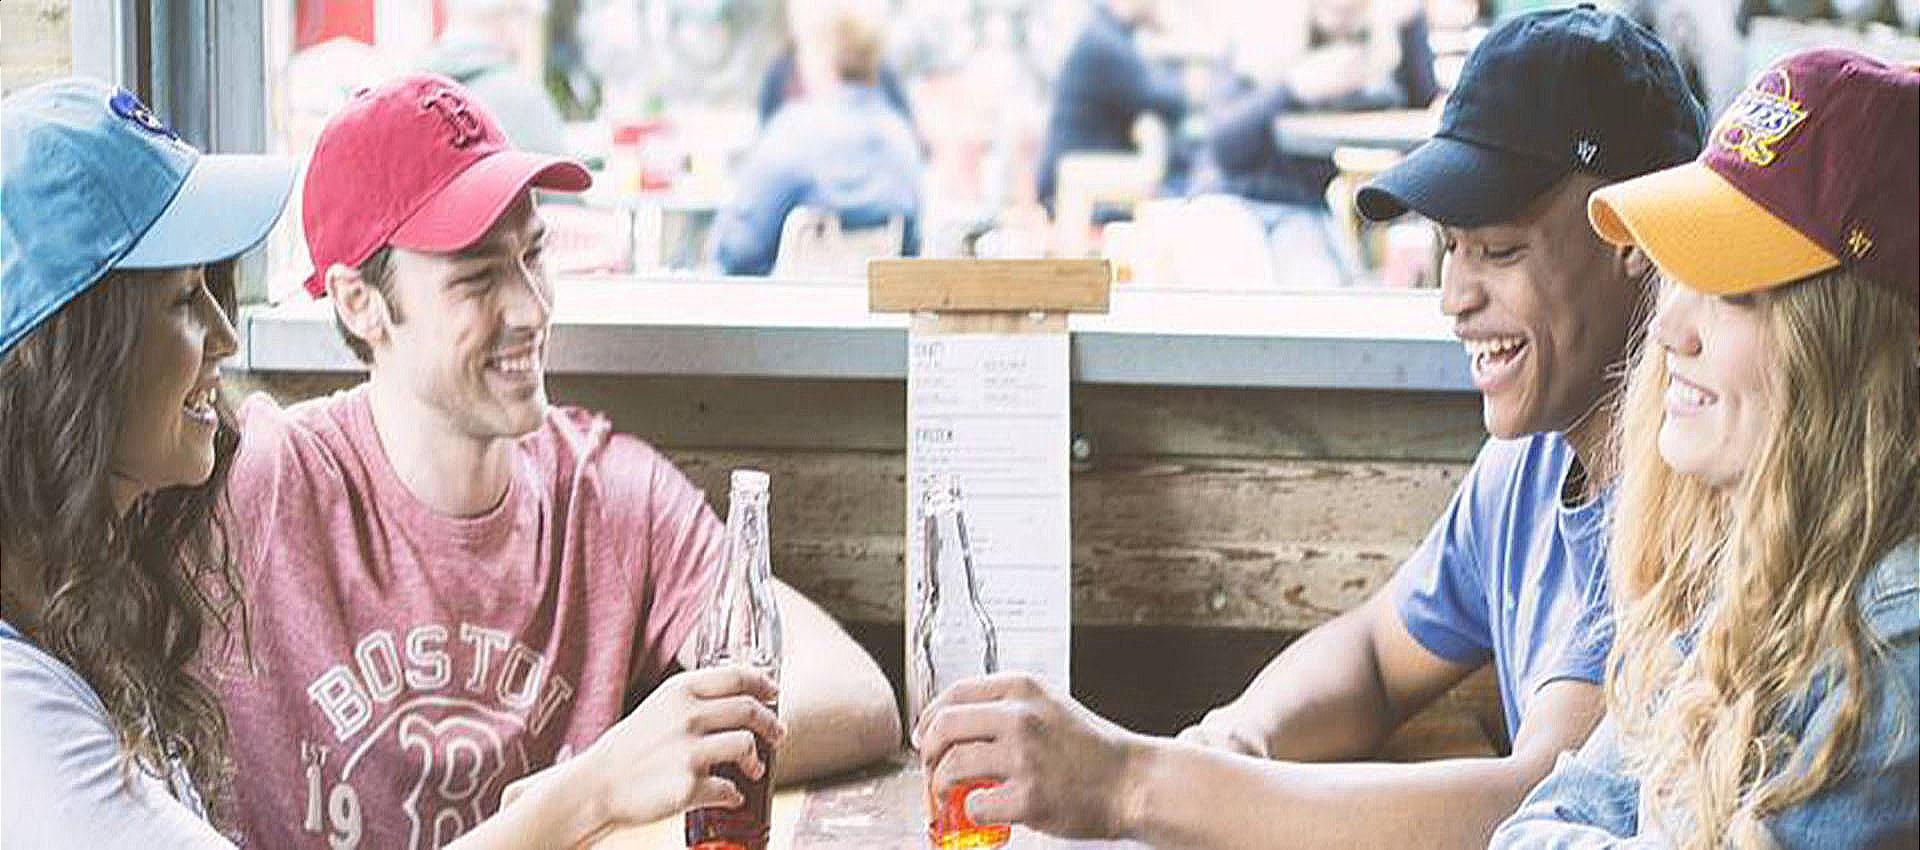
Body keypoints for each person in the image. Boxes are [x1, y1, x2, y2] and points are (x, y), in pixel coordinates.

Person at [913, 8, 1704, 849]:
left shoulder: (1687, 498)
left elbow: (1536, 802)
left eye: (1500, 250)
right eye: (1449, 247)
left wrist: (1133, 783)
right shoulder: (1531, 462)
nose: (1454, 297)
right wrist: (1233, 739)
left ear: (1632, 236)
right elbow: (1373, 656)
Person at [0, 78, 785, 850]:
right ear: (69, 357)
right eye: (181, 299)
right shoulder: (26, 719)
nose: (227, 336)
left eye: (533, 255)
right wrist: (591, 790)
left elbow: (827, 684)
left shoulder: (87, 591)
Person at [209, 74, 900, 849]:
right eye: (478, 277)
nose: (532, 307)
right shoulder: (263, 486)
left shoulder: (607, 495)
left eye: (533, 255)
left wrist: (637, 762)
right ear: (359, 303)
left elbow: (854, 694)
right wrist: (595, 791)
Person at [1492, 48, 1919, 850]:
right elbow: (1530, 828)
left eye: (1733, 294)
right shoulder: (1759, 575)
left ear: (1857, 350)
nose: (1668, 327)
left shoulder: (1897, 641)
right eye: (1678, 274)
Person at [712, 0, 922, 276]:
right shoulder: (900, 139)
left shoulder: (793, 133)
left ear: (821, 56)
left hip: (789, 301)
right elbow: (912, 246)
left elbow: (739, 249)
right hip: (869, 301)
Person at [1198, 0, 1439, 209]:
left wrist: (1404, 31)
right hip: (1246, 196)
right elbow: (1224, 145)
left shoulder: (1396, 24)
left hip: (1343, 203)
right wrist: (1293, 88)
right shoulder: (1259, 27)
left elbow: (1426, 110)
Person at [1034, 0, 1189, 209]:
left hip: (1085, 185)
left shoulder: (1107, 33)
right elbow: (1170, 102)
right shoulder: (1103, 42)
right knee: (1177, 198)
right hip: (1073, 196)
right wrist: (1170, 36)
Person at [422, 0, 570, 157]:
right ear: (510, 17)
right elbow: (557, 171)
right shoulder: (525, 100)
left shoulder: (415, 95)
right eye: (525, 16)